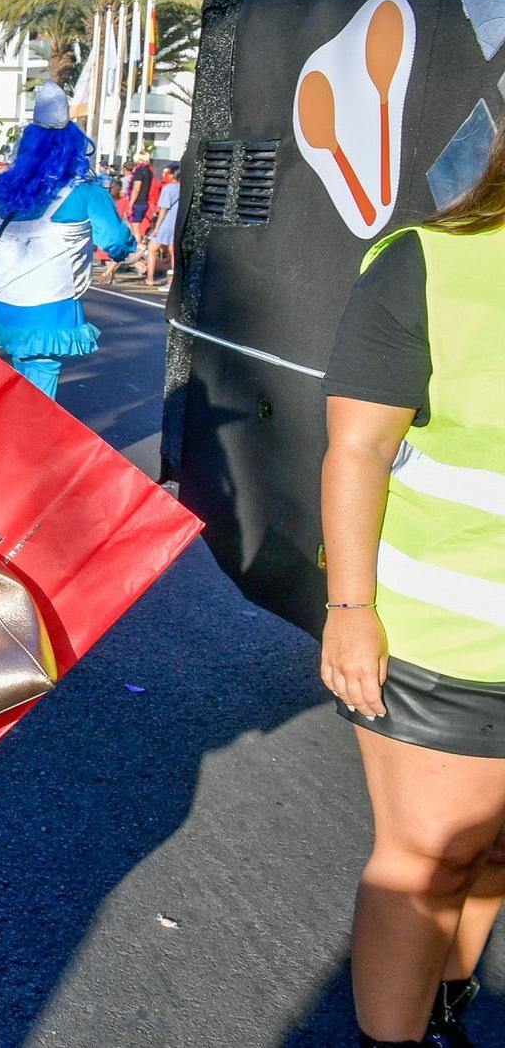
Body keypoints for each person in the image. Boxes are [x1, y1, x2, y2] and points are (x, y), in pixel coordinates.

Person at [319, 133, 505, 1048]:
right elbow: (357, 448)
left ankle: (445, 1013)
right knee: (431, 859)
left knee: (499, 854)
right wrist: (351, 611)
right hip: (449, 637)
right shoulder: (429, 262)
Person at [0, 82, 136, 398]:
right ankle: (28, 441)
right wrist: (129, 247)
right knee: (42, 373)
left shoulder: (0, 187)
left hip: (5, 294)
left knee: (23, 365)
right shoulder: (85, 192)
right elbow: (116, 242)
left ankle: (18, 432)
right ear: (73, 145)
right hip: (51, 296)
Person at [144, 163, 181, 287]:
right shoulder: (184, 188)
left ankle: (150, 278)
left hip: (167, 222)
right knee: (173, 252)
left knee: (152, 248)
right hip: (178, 222)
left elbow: (163, 210)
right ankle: (174, 280)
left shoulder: (168, 188)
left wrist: (157, 228)